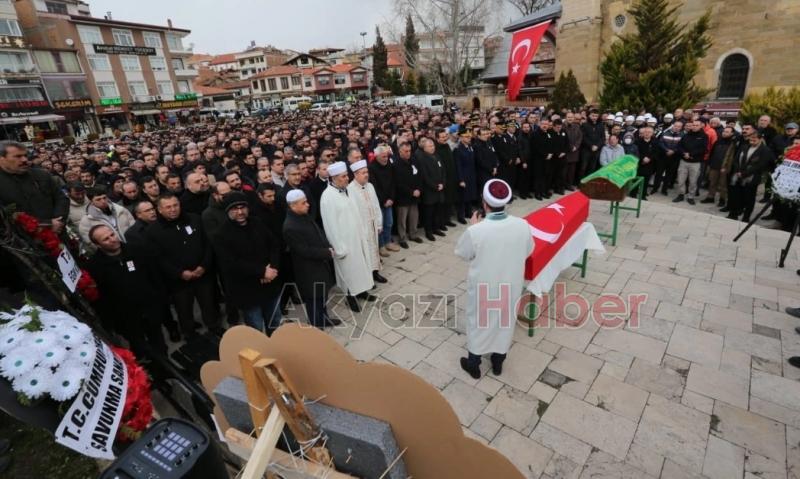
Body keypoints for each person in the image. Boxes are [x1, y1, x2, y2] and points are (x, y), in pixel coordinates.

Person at [455, 179, 533, 379]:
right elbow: (528, 250)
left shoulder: (476, 231)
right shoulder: (522, 225)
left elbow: (463, 253)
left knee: (479, 323)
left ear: (484, 202)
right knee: (504, 322)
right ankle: (498, 362)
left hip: (484, 286)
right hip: (510, 284)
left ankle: (474, 364)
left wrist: (472, 227)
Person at [146, 193, 221, 339]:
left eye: (175, 205)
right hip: (178, 281)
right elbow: (158, 259)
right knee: (184, 310)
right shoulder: (153, 231)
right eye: (168, 207)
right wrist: (180, 273)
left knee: (209, 304)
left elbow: (207, 244)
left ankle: (214, 327)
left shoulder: (194, 219)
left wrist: (203, 266)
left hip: (202, 274)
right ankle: (190, 334)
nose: (173, 209)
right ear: (159, 210)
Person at [86, 224, 168, 356]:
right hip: (127, 319)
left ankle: (169, 369)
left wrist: (160, 300)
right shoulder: (95, 267)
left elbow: (154, 275)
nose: (112, 239)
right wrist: (113, 324)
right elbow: (102, 299)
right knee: (140, 349)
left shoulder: (136, 250)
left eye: (112, 234)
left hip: (150, 309)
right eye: (106, 239)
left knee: (159, 342)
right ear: (98, 245)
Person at [210, 191, 283, 335]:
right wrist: (262, 271)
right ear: (228, 211)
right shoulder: (221, 234)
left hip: (270, 284)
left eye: (242, 207)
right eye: (235, 209)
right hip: (248, 290)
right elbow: (232, 263)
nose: (240, 212)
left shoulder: (257, 222)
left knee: (275, 323)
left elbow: (274, 245)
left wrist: (272, 269)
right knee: (256, 328)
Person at [319, 162, 376, 312]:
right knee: (349, 272)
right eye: (343, 176)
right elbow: (330, 226)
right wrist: (339, 247)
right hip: (345, 243)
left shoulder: (346, 190)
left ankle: (362, 290)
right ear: (334, 178)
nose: (347, 178)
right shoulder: (327, 197)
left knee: (361, 267)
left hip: (357, 238)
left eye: (346, 175)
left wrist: (362, 232)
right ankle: (350, 297)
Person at [283, 189, 341, 329]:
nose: (308, 205)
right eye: (303, 203)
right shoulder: (290, 227)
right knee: (314, 299)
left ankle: (324, 319)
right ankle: (316, 326)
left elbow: (317, 232)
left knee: (322, 296)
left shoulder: (302, 215)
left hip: (319, 266)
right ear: (293, 206)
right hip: (308, 271)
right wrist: (326, 253)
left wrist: (327, 246)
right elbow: (304, 251)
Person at [0, 141, 68, 232]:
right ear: (2, 159)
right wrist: (46, 224)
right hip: (23, 240)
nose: (24, 160)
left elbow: (61, 198)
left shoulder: (41, 175)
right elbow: (6, 217)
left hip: (58, 231)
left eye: (25, 155)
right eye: (18, 156)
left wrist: (58, 221)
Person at [348, 160, 387, 283]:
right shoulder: (350, 189)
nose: (366, 175)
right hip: (361, 228)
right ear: (355, 175)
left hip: (373, 226)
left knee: (374, 250)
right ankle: (367, 278)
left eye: (367, 172)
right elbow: (352, 213)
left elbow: (376, 205)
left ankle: (375, 273)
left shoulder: (370, 186)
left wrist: (379, 223)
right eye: (363, 173)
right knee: (365, 254)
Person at [726, 130, 774, 222]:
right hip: (738, 176)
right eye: (750, 140)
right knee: (735, 196)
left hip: (752, 178)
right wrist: (737, 171)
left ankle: (746, 217)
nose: (751, 142)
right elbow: (736, 160)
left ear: (760, 139)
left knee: (749, 199)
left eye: (754, 140)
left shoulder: (765, 150)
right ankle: (733, 214)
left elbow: (760, 165)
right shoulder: (744, 146)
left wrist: (744, 173)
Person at [368, 145, 400, 254]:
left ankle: (388, 241)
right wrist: (383, 201)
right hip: (379, 201)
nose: (385, 159)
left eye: (386, 156)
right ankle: (381, 245)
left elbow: (393, 182)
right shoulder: (372, 168)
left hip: (389, 200)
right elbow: (374, 187)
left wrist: (391, 198)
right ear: (376, 156)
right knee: (379, 225)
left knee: (389, 222)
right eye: (383, 157)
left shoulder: (389, 165)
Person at [393, 142, 423, 249]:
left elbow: (419, 176)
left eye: (410, 151)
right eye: (406, 151)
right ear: (400, 151)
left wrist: (418, 189)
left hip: (415, 195)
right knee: (402, 219)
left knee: (414, 217)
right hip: (403, 197)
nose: (408, 153)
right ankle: (402, 238)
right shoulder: (396, 164)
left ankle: (413, 234)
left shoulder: (413, 161)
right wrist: (411, 192)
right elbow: (398, 183)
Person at [416, 137, 447, 241]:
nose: (432, 148)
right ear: (424, 148)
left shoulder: (436, 156)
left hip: (439, 189)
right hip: (430, 191)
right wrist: (435, 186)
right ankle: (428, 232)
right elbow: (425, 176)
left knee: (437, 211)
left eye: (433, 145)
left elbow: (443, 170)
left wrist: (442, 183)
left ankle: (436, 228)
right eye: (430, 146)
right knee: (429, 213)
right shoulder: (422, 159)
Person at [672, 119, 708, 205]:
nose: (694, 127)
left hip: (695, 162)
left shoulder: (704, 136)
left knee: (693, 181)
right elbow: (679, 146)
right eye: (693, 125)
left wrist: (691, 154)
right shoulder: (686, 135)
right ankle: (681, 194)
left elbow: (703, 149)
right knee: (681, 180)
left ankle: (691, 196)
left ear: (700, 126)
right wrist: (684, 153)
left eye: (696, 125)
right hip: (684, 161)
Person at [453, 126, 478, 223]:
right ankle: (461, 216)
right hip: (463, 176)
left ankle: (468, 212)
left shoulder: (470, 147)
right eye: (466, 137)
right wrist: (461, 180)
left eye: (469, 136)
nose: (469, 138)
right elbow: (458, 166)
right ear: (461, 138)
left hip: (471, 175)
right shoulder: (458, 150)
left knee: (469, 195)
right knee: (462, 197)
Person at [580, 109, 605, 177]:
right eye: (593, 116)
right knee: (583, 168)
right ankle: (581, 183)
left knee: (592, 168)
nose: (594, 117)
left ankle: (589, 183)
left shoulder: (601, 125)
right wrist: (591, 146)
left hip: (596, 150)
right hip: (586, 150)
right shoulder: (585, 125)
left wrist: (597, 146)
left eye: (596, 116)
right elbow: (583, 137)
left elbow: (602, 138)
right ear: (589, 116)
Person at [564, 112, 583, 190]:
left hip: (574, 152)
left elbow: (580, 137)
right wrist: (569, 147)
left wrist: (576, 146)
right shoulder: (562, 127)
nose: (570, 119)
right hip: (565, 152)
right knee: (564, 171)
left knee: (572, 171)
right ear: (566, 118)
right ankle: (562, 185)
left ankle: (569, 185)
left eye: (571, 117)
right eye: (568, 117)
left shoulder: (577, 127)